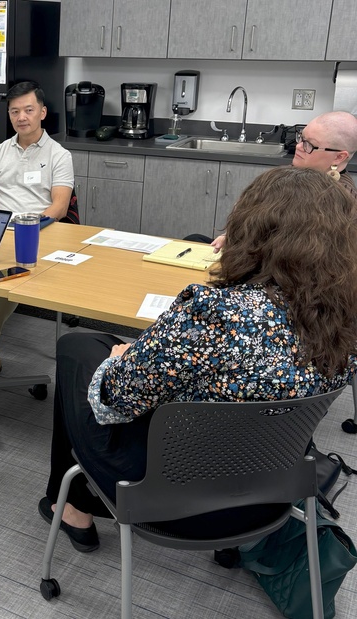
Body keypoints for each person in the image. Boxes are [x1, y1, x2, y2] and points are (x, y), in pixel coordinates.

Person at [40, 166, 357, 552]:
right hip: (273, 491)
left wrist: (116, 361)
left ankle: (71, 504)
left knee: (79, 348)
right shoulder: (347, 320)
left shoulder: (216, 313)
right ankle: (71, 502)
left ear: (251, 227)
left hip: (165, 494)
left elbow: (114, 403)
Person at [0, 80, 74, 376]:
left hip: (38, 231)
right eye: (15, 111)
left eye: (28, 110)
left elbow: (59, 206)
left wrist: (26, 227)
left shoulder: (59, 155)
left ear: (42, 112)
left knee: (13, 273)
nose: (21, 117)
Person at [207, 111, 357, 251]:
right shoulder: (291, 174)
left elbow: (299, 252)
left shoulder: (339, 199)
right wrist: (230, 235)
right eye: (301, 137)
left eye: (309, 145)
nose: (298, 146)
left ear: (339, 157)